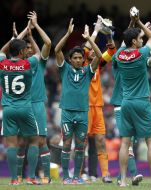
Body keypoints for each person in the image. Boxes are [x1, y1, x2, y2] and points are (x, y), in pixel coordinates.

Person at [113, 8, 151, 187]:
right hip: (142, 102)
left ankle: (123, 181)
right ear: (135, 41)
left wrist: (132, 26)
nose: (142, 41)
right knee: (150, 141)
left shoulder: (119, 56)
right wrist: (140, 23)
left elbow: (125, 44)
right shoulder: (141, 54)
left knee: (125, 142)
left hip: (125, 103)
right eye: (139, 39)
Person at [54, 18, 102, 185]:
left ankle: (77, 176)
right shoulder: (64, 69)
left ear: (83, 59)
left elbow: (99, 56)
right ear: (70, 59)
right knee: (67, 143)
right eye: (74, 57)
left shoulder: (88, 71)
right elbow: (57, 49)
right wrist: (67, 34)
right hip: (67, 111)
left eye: (79, 58)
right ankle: (66, 176)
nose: (76, 60)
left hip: (83, 112)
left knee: (81, 145)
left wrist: (89, 39)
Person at [15, 11, 52, 184]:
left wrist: (34, 29)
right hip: (22, 104)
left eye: (31, 48)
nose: (29, 50)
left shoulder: (40, 62)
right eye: (26, 48)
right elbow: (11, 49)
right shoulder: (17, 64)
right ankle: (19, 176)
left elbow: (47, 44)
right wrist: (21, 36)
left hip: (37, 105)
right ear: (22, 51)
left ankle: (45, 176)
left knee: (41, 140)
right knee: (22, 142)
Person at [0, 31, 40, 185]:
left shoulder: (2, 64)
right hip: (25, 108)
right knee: (34, 141)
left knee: (11, 144)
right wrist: (29, 35)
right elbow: (38, 53)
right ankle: (30, 177)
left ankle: (14, 179)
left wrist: (13, 39)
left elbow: (1, 52)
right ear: (22, 51)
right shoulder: (28, 63)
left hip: (8, 109)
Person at [82, 15, 115, 183]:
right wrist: (94, 32)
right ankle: (81, 174)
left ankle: (105, 174)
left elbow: (110, 51)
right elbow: (86, 48)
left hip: (98, 107)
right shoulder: (81, 64)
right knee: (83, 142)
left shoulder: (98, 64)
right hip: (84, 107)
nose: (96, 54)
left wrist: (108, 34)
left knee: (101, 140)